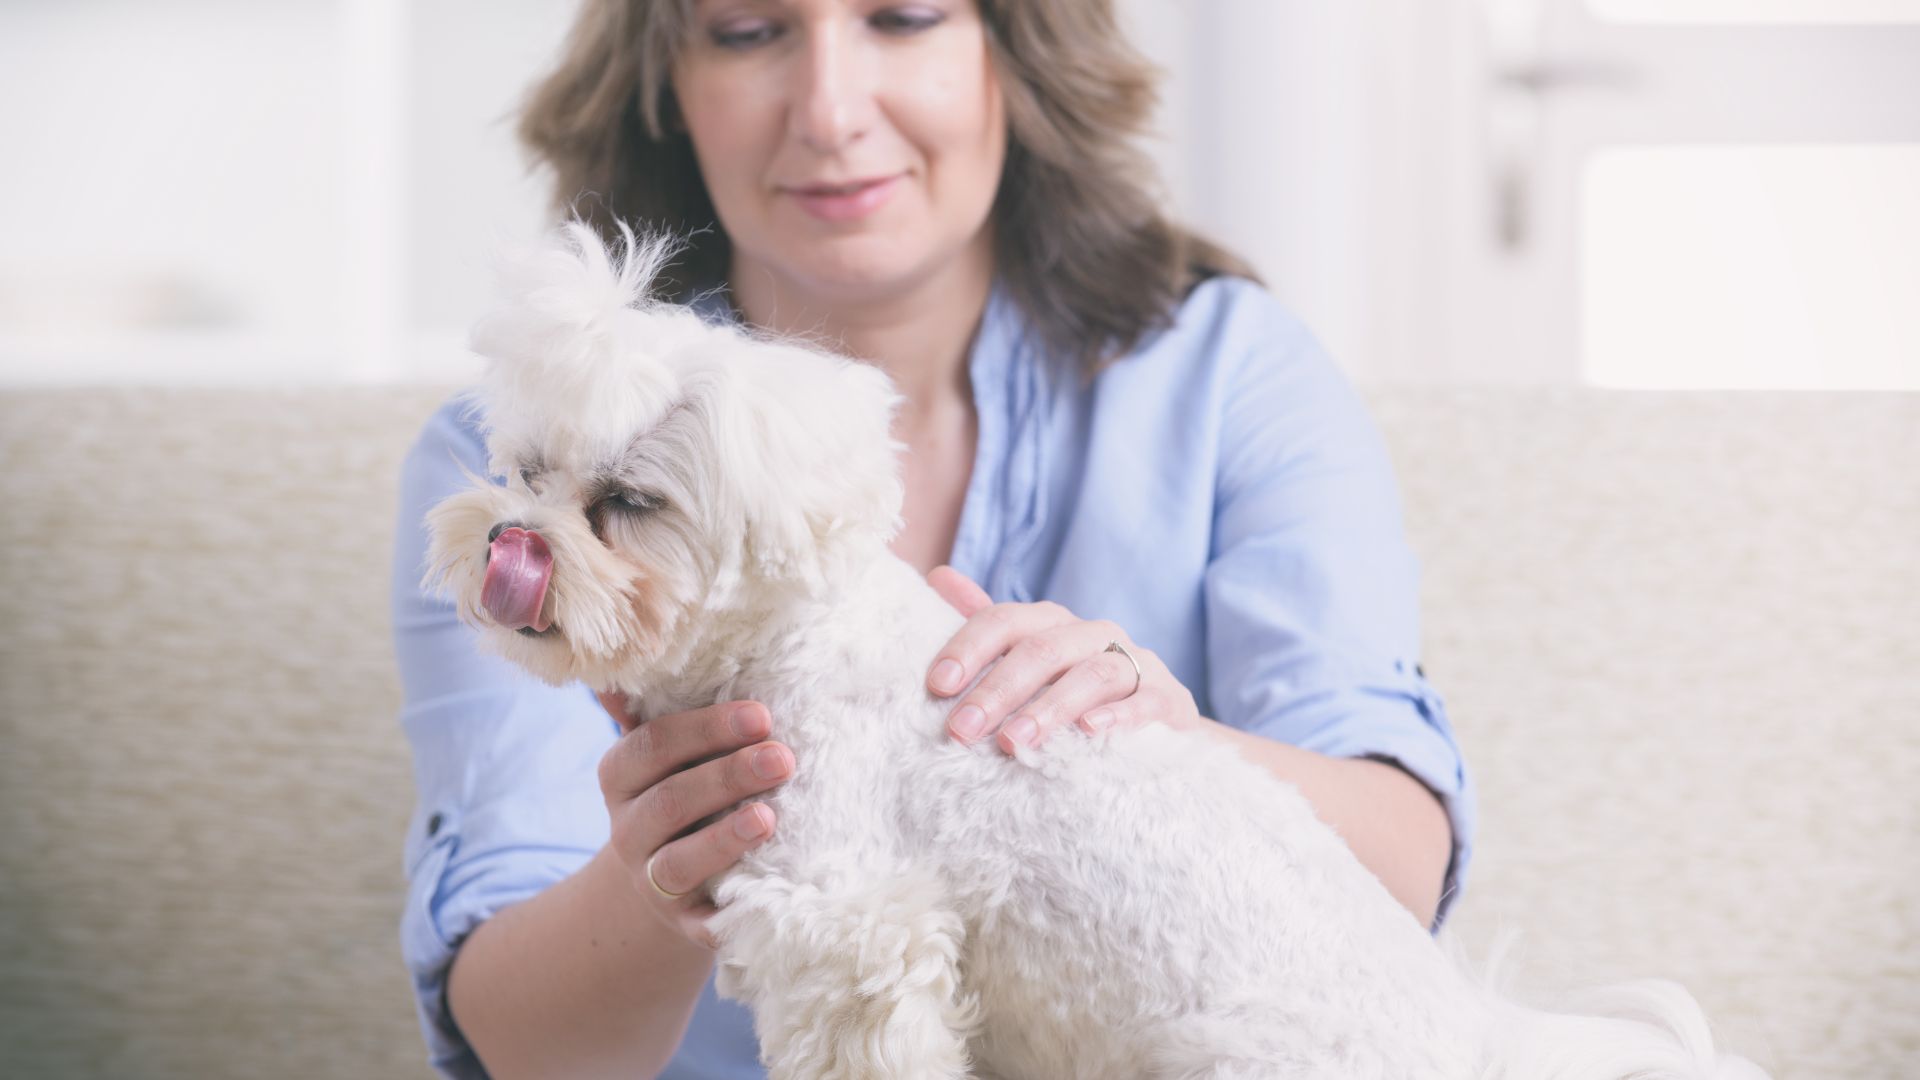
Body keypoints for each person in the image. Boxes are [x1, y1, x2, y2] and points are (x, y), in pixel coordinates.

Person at [391, 1, 1477, 1077]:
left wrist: (1161, 747)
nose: (829, 110)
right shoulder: (505, 456)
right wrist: (660, 868)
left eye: (904, 18)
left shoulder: (1230, 371)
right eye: (747, 31)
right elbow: (518, 1045)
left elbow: (1402, 876)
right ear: (661, 84)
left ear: (1015, 48)